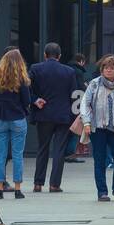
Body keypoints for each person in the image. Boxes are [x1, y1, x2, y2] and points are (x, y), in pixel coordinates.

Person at [80, 54, 114, 201]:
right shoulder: (94, 84)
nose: (109, 70)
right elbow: (85, 104)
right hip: (98, 127)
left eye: (112, 68)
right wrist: (86, 123)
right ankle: (102, 192)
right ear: (102, 69)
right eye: (106, 68)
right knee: (100, 159)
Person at [29, 42, 77, 193]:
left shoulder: (36, 69)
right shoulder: (69, 71)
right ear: (60, 56)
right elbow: (74, 95)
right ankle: (54, 184)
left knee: (42, 148)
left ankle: (38, 183)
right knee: (59, 150)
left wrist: (35, 99)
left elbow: (26, 87)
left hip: (43, 114)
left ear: (45, 55)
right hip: (63, 116)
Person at [0, 49, 33, 199]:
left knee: (0, 155)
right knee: (17, 155)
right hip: (17, 119)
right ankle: (17, 189)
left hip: (0, 119)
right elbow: (27, 101)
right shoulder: (22, 79)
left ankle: (0, 188)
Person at [62, 53, 89, 164]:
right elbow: (80, 88)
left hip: (65, 104)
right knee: (75, 129)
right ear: (81, 61)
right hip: (76, 104)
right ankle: (70, 154)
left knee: (66, 130)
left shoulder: (66, 69)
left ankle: (64, 152)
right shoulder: (78, 72)